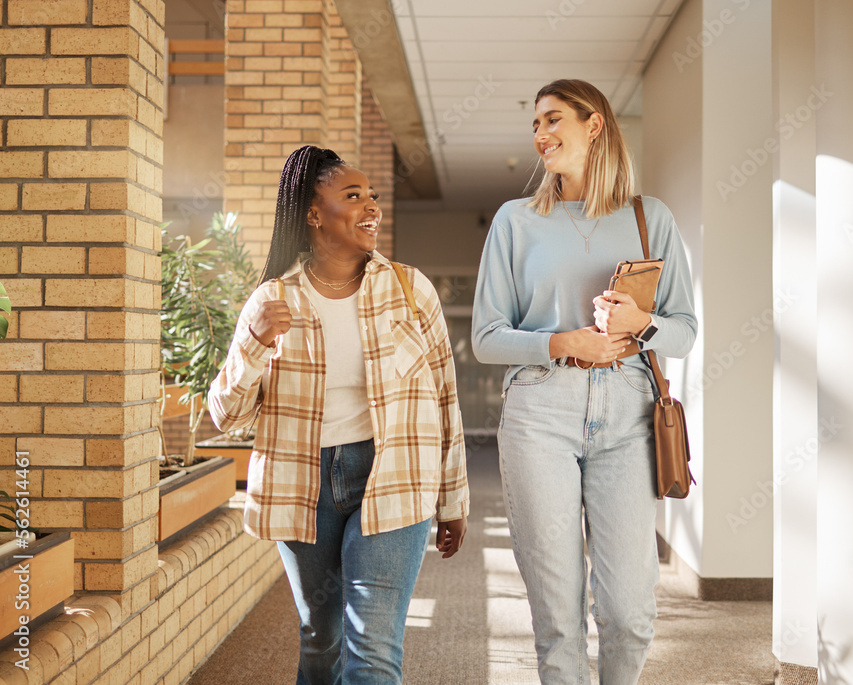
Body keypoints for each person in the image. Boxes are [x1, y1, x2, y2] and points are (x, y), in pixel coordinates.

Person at [207, 145, 469, 685]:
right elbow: (225, 416)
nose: (371, 206)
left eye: (373, 196)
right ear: (312, 212)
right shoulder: (272, 301)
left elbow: (445, 398)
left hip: (396, 476)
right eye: (353, 196)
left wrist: (453, 497)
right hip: (305, 484)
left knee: (372, 651)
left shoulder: (409, 290)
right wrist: (255, 344)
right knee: (320, 641)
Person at [472, 79, 697, 684]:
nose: (542, 136)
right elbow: (486, 336)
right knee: (557, 616)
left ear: (594, 125)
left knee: (628, 612)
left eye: (553, 121)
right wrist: (560, 342)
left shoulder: (652, 219)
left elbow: (685, 332)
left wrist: (639, 322)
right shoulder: (516, 221)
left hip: (628, 411)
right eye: (536, 127)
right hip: (539, 409)